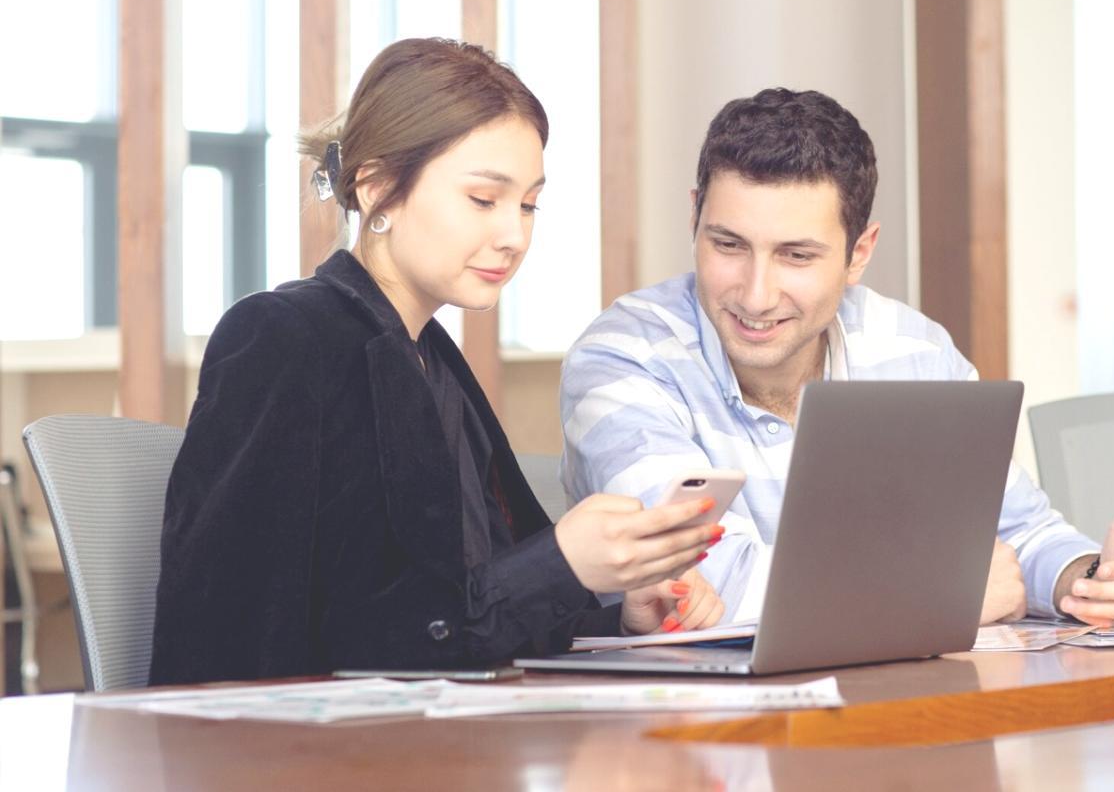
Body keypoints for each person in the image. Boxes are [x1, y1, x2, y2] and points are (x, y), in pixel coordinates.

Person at [151, 38, 723, 685]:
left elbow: (469, 613)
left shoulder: (432, 360)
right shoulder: (285, 338)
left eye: (528, 204)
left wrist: (617, 617)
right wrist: (559, 564)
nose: (514, 234)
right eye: (483, 199)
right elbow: (273, 637)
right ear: (375, 187)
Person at [561, 88, 1114, 626]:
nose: (755, 294)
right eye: (728, 245)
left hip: (895, 710)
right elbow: (706, 584)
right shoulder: (623, 357)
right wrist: (937, 595)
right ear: (694, 217)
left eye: (797, 256)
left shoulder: (913, 351)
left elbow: (1015, 533)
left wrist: (1086, 581)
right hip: (687, 729)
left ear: (859, 254)